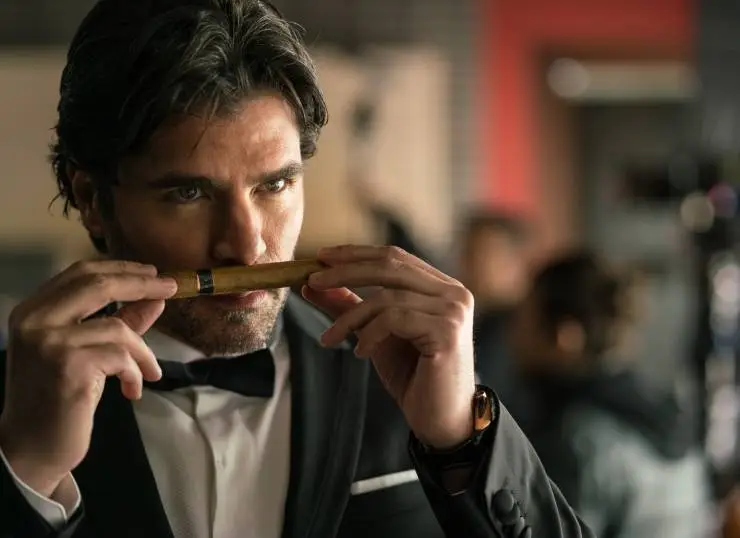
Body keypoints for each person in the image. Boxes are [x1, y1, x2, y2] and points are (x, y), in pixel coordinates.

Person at [0, 2, 592, 537]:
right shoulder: (17, 405)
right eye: (188, 194)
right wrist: (25, 475)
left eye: (275, 184)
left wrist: (462, 441)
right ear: (92, 199)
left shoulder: (397, 377)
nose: (247, 244)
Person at [510, 249, 710, 538]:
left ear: (566, 337)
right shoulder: (673, 414)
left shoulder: (576, 439)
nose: (514, 336)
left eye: (524, 320)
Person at [457, 211, 531, 422]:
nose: (467, 264)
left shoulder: (510, 337)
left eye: (481, 255)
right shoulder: (484, 319)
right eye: (467, 252)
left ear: (513, 264)